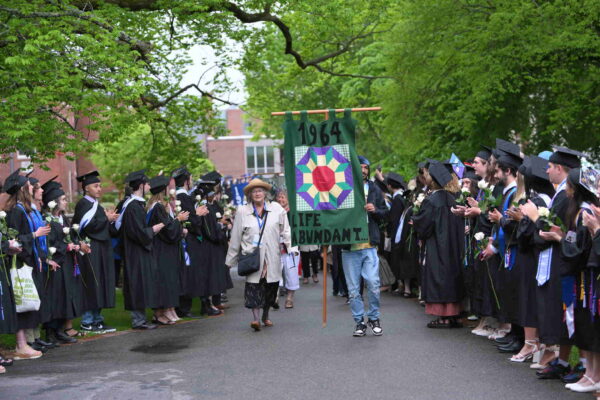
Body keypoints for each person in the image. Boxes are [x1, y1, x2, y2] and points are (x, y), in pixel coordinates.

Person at [521, 146, 582, 378]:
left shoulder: (570, 197)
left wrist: (535, 218)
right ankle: (562, 360)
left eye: (550, 166)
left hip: (562, 260)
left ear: (559, 168)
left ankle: (575, 361)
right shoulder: (562, 194)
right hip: (555, 257)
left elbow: (564, 230)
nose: (546, 170)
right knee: (558, 310)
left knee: (565, 311)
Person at [225, 179, 295, 331]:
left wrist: (291, 248)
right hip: (252, 256)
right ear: (250, 194)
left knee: (270, 288)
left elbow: (286, 230)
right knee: (253, 287)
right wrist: (230, 259)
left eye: (260, 190)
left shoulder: (276, 209)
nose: (257, 193)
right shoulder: (243, 211)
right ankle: (256, 319)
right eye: (254, 191)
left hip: (272, 256)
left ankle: (265, 315)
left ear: (265, 193)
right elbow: (236, 236)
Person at [412, 161, 465, 328]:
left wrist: (415, 221)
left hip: (437, 246)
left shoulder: (432, 200)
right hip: (454, 246)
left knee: (438, 275)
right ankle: (453, 314)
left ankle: (442, 317)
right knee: (451, 275)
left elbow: (424, 226)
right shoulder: (452, 198)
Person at [4, 170, 49, 359]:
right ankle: (21, 345)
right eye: (29, 185)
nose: (32, 186)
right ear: (23, 189)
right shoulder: (16, 211)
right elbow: (15, 239)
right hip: (21, 264)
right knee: (22, 303)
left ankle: (26, 343)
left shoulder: (25, 210)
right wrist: (34, 235)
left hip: (30, 261)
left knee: (29, 303)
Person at [341, 155, 387, 337]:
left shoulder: (374, 189)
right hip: (349, 247)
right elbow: (332, 213)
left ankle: (374, 317)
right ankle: (359, 322)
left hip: (369, 245)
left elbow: (385, 213)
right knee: (353, 290)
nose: (363, 170)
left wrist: (375, 210)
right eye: (359, 167)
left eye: (366, 167)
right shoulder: (343, 188)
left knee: (374, 284)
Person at [72, 171, 118, 334]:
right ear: (86, 188)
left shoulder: (96, 205)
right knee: (92, 284)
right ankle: (87, 321)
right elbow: (89, 227)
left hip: (101, 251)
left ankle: (97, 320)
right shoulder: (83, 204)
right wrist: (106, 219)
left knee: (101, 284)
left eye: (100, 186)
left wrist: (110, 221)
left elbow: (102, 227)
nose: (99, 189)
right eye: (95, 186)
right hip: (91, 252)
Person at [116, 170, 163, 330]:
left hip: (136, 251)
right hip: (135, 252)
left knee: (140, 284)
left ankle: (140, 319)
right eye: (147, 183)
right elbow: (138, 233)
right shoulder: (133, 207)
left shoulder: (134, 205)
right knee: (137, 284)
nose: (149, 186)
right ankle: (138, 320)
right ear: (141, 186)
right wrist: (154, 229)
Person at [40, 177, 80, 345]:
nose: (66, 202)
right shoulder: (47, 220)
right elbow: (50, 243)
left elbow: (66, 237)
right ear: (54, 202)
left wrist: (76, 244)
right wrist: (67, 247)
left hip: (65, 264)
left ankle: (59, 330)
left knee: (63, 296)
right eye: (63, 199)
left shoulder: (62, 219)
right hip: (54, 264)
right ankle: (50, 331)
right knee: (54, 297)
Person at [147, 175, 188, 324]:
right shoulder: (157, 207)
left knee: (168, 279)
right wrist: (179, 221)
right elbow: (168, 229)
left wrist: (178, 226)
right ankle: (162, 311)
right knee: (164, 279)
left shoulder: (157, 206)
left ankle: (169, 309)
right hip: (161, 249)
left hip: (164, 249)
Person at [273, 189, 299, 309]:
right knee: (275, 273)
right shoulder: (272, 212)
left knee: (291, 272)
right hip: (276, 246)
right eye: (279, 197)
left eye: (283, 197)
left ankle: (289, 299)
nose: (280, 199)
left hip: (291, 246)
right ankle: (275, 297)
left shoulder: (293, 212)